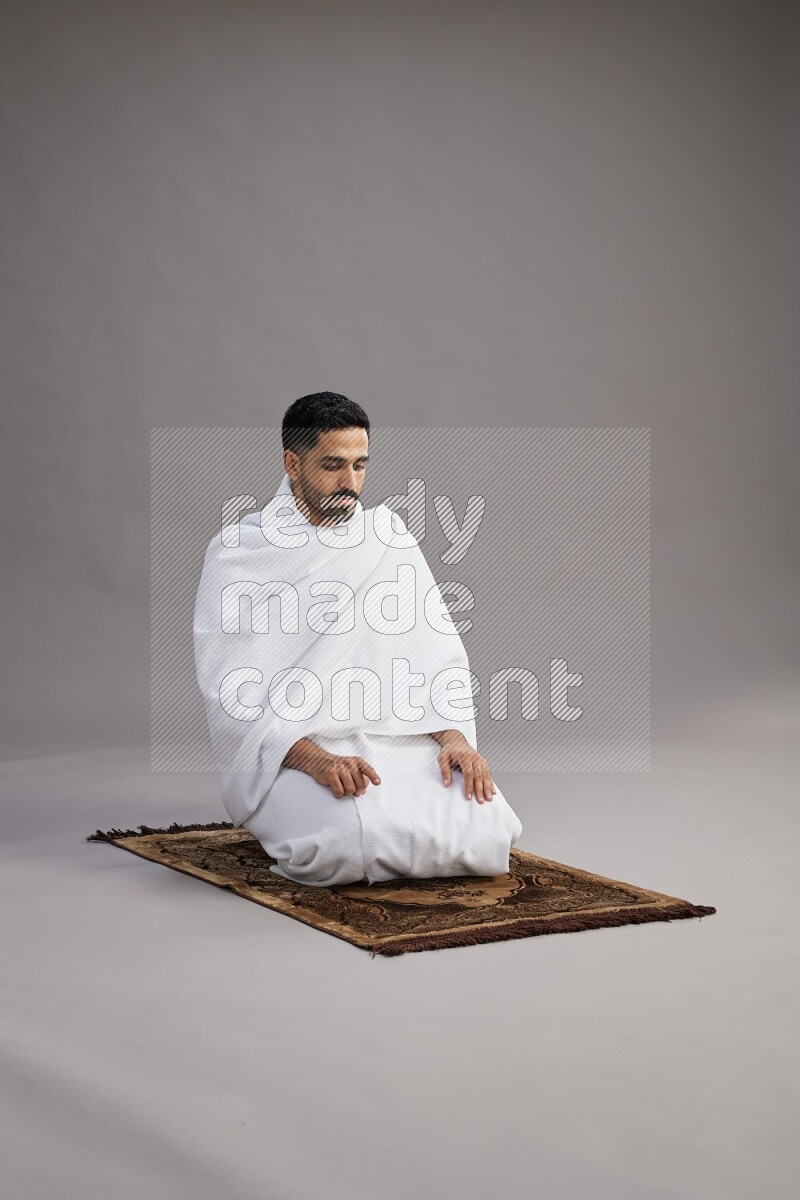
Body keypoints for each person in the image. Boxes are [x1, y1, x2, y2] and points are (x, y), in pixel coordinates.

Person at [193, 391, 523, 886]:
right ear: (293, 462)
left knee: (485, 830)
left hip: (399, 734)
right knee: (342, 844)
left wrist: (454, 738)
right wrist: (316, 760)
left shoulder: (387, 537)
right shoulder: (239, 553)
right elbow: (230, 691)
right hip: (290, 749)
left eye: (360, 465)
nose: (351, 484)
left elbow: (434, 653)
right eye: (333, 466)